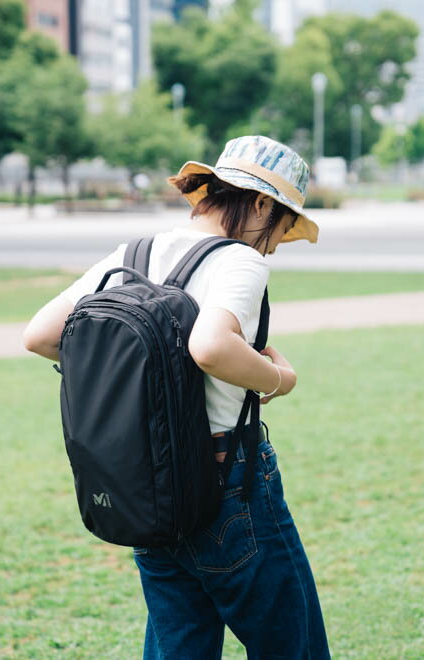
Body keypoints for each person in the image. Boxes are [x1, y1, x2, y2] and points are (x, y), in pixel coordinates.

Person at [23, 135, 331, 659]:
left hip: (149, 487)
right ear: (260, 204)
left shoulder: (133, 254)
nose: (276, 243)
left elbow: (40, 335)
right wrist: (278, 377)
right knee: (293, 645)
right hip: (227, 483)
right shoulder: (238, 260)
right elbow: (209, 346)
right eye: (282, 226)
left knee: (180, 645)